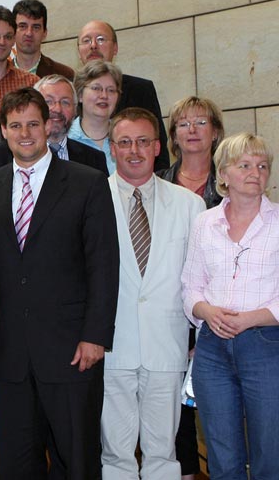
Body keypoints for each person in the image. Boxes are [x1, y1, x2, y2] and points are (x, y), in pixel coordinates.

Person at [0, 87, 119, 479]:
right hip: (11, 353)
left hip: (72, 350)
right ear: (3, 130)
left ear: (48, 126)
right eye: (15, 125)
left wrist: (95, 337)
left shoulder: (87, 182)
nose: (25, 133)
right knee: (18, 463)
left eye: (33, 124)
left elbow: (104, 265)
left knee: (77, 461)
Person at [100, 108, 204, 479]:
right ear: (112, 148)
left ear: (158, 147)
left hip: (167, 343)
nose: (134, 150)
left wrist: (199, 339)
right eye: (125, 142)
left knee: (163, 453)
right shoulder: (91, 199)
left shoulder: (190, 205)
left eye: (143, 141)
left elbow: (201, 277)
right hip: (112, 345)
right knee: (115, 455)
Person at [181, 133, 279, 480]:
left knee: (270, 452)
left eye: (262, 166)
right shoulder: (204, 223)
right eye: (245, 165)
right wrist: (206, 311)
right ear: (223, 174)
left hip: (266, 346)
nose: (256, 173)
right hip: (212, 349)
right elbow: (190, 286)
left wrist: (251, 318)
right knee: (222, 457)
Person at [158, 97, 226, 480]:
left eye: (201, 122)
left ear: (215, 132)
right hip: (167, 307)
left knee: (219, 410)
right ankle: (185, 472)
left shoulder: (233, 182)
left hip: (216, 312)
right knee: (174, 409)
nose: (193, 130)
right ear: (173, 136)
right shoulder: (157, 182)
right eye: (184, 123)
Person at [77, 20, 169, 170]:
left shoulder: (140, 89)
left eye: (100, 39)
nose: (93, 45)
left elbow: (159, 153)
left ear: (115, 48)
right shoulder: (67, 93)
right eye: (86, 40)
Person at [0, 74, 108, 174]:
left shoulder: (94, 159)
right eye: (49, 102)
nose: (57, 109)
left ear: (75, 110)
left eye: (65, 102)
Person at [69, 60, 123, 175]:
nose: (104, 95)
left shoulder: (127, 137)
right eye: (96, 88)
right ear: (80, 95)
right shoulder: (66, 138)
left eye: (111, 90)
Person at [11, 0, 75, 78]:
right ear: (12, 31)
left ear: (45, 33)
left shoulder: (64, 74)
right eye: (23, 26)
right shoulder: (1, 74)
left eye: (36, 27)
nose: (29, 33)